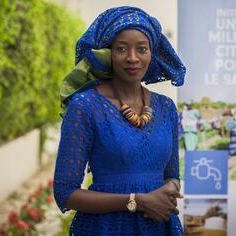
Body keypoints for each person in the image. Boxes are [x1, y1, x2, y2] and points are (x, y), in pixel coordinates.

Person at [53, 6, 186, 235]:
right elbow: (65, 193)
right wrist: (138, 201)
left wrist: (169, 190)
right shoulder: (85, 106)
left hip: (159, 227)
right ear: (108, 53)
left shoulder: (166, 108)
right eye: (121, 49)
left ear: (151, 54)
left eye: (141, 49)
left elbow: (172, 175)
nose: (132, 58)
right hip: (104, 228)